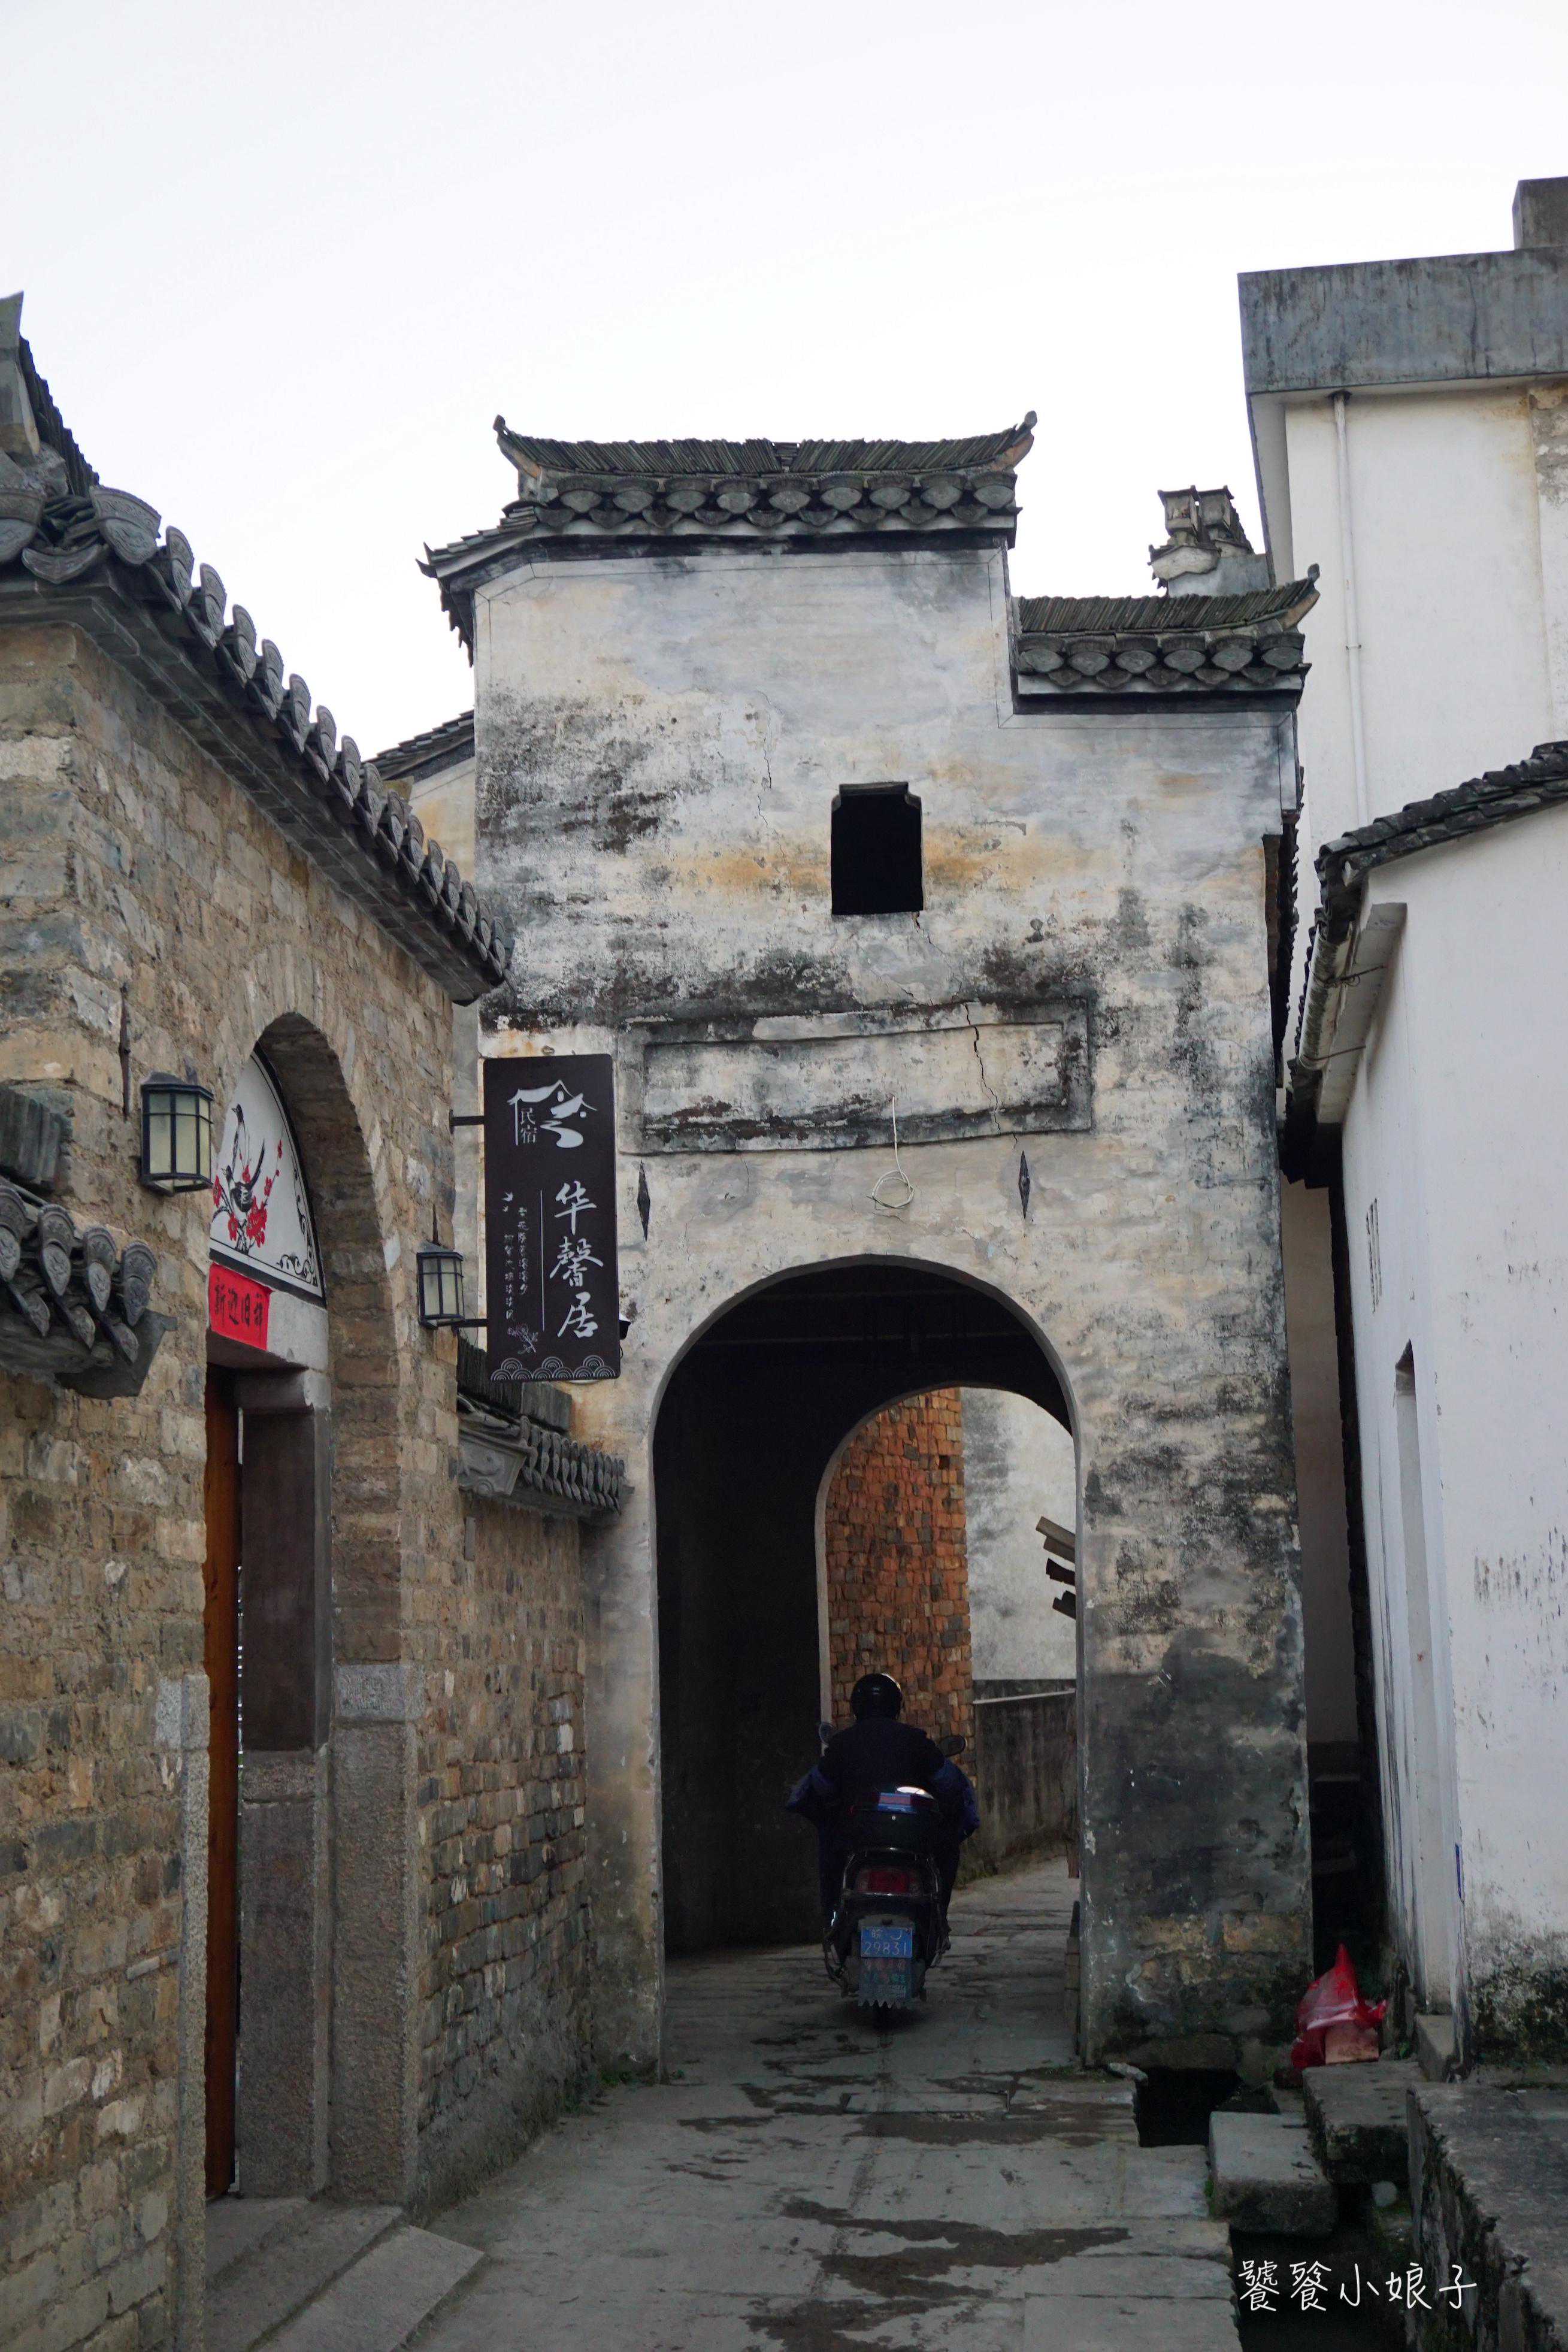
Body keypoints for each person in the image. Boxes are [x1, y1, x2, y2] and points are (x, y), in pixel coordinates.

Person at [786, 1671, 979, 1931]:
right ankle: (938, 1919)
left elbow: (819, 1786)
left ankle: (832, 1917)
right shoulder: (915, 1741)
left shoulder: (843, 1744)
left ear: (856, 1707)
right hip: (912, 1837)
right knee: (947, 1847)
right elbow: (950, 1783)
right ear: (897, 1707)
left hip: (857, 1836)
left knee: (830, 1851)